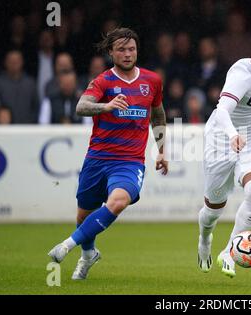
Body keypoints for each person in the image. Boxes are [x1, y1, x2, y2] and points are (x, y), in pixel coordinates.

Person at [48, 28, 169, 280]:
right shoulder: (103, 81)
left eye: (132, 49)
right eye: (122, 49)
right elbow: (81, 106)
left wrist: (162, 149)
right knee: (83, 215)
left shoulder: (152, 81)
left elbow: (157, 114)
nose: (127, 54)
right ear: (111, 52)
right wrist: (107, 105)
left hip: (129, 162)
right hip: (98, 158)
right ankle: (88, 254)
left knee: (117, 202)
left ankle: (67, 245)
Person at [197, 30, 251, 278]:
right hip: (221, 138)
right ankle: (205, 239)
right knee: (213, 209)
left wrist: (245, 136)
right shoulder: (241, 74)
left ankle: (228, 252)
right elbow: (223, 109)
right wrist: (232, 135)